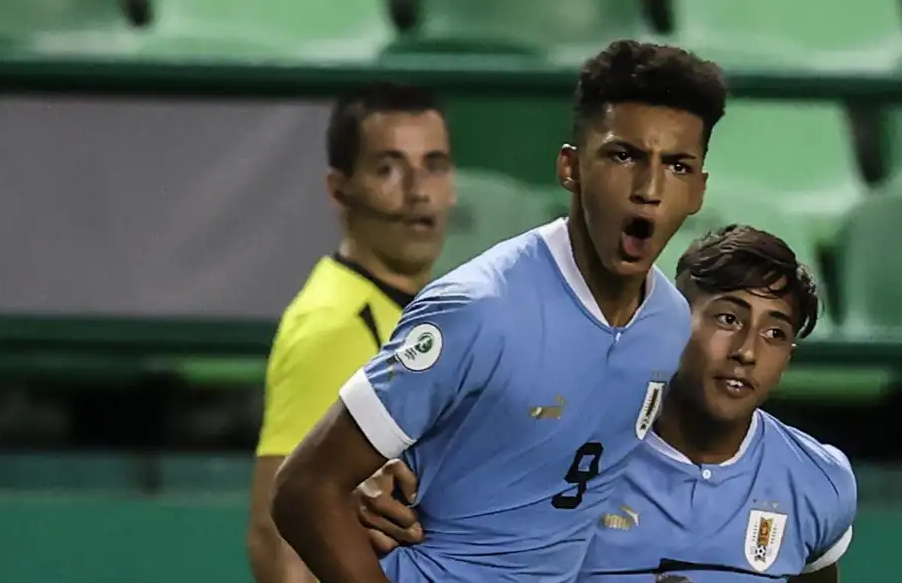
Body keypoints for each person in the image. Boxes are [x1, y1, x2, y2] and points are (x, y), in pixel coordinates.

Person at [270, 39, 727, 583]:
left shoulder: (671, 325)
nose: (649, 189)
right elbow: (304, 488)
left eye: (677, 166)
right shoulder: (477, 308)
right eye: (623, 156)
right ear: (571, 167)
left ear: (699, 191)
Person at [357, 225, 857, 583]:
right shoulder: (567, 446)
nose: (747, 351)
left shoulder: (818, 479)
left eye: (775, 333)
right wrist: (377, 481)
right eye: (728, 319)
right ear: (675, 317)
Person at [246, 81, 455, 583]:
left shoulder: (424, 313)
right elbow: (278, 537)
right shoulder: (332, 325)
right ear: (340, 189)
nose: (418, 190)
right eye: (388, 168)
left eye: (435, 164)